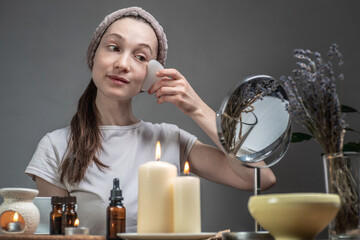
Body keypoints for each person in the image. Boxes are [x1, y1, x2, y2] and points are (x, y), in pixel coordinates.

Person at [25, 6, 276, 235]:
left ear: (152, 77)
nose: (122, 64)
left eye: (141, 57)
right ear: (94, 56)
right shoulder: (56, 147)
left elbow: (261, 177)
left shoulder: (170, 139)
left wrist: (197, 108)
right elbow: (53, 236)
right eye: (113, 47)